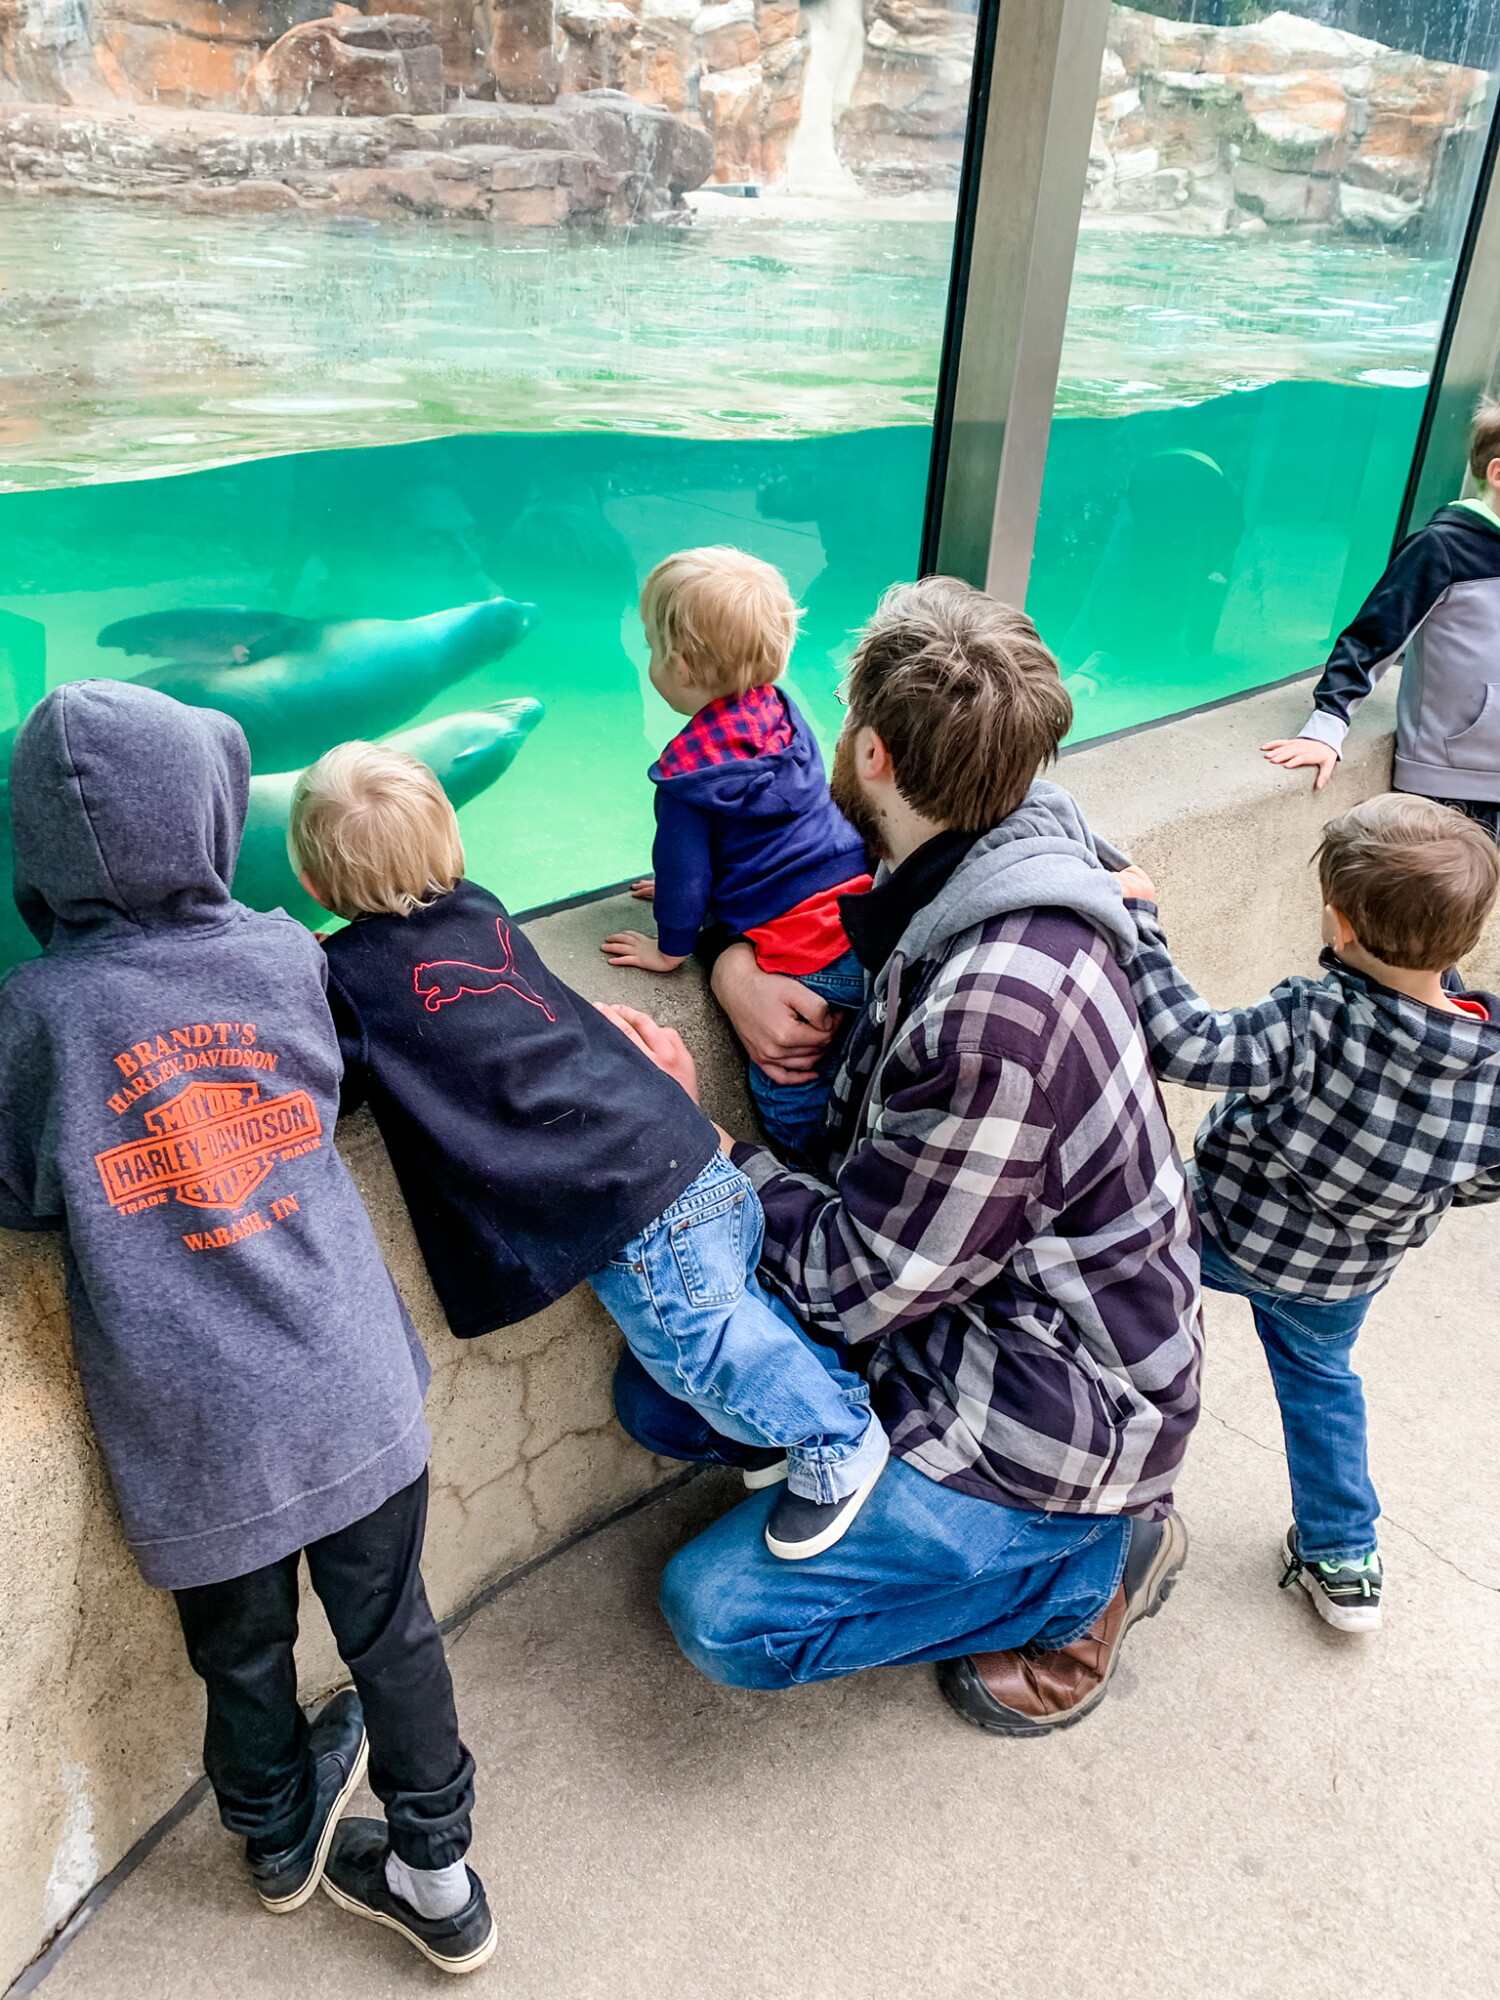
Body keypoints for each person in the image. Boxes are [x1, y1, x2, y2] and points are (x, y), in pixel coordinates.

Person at [606, 578, 1203, 1736]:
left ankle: (1087, 1568)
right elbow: (800, 902)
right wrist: (731, 962)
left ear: (870, 752)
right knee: (663, 1397)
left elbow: (854, 1279)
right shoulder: (1011, 833)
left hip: (1046, 1402)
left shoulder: (1000, 1010)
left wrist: (707, 1145)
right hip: (959, 1291)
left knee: (723, 1615)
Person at [0, 682, 494, 1974]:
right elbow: (327, 1088)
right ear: (211, 811)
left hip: (195, 1424)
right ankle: (437, 1878)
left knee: (242, 1652)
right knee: (394, 1632)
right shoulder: (282, 952)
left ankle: (275, 1846)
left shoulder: (35, 1017)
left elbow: (20, 1189)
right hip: (346, 1384)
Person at [289, 742, 889, 1562]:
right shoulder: (482, 907)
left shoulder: (346, 979)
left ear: (314, 886)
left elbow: (329, 1077)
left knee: (698, 1350)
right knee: (730, 1329)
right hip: (687, 1151)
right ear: (452, 848)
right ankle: (783, 1429)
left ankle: (836, 1440)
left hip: (640, 1209)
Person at [1115, 794, 1500, 1633]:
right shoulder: (1491, 1064)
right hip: (1342, 1277)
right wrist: (1412, 1200)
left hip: (1217, 1224)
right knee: (1323, 1389)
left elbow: (1188, 1044)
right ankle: (1343, 1562)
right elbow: (1482, 1178)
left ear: (1338, 925)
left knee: (1100, 1261)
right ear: (1465, 938)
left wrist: (1140, 923)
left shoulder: (1314, 1015)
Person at [598, 546, 871, 1156]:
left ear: (681, 665)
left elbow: (684, 873)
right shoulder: (783, 715)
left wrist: (671, 948)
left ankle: (808, 1159)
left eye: (650, 645)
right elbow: (777, 823)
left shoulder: (687, 779)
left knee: (786, 1077)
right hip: (856, 918)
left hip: (802, 955)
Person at [1263, 398, 1500, 837]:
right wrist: (1326, 728)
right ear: (1498, 474)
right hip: (1451, 786)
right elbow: (1371, 638)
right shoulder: (1442, 548)